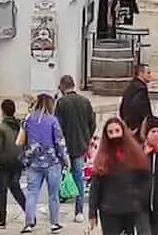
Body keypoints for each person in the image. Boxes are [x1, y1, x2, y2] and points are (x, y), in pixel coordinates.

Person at [88, 115, 151, 235]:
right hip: (109, 210)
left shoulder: (134, 154)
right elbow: (95, 187)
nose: (114, 135)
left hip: (130, 208)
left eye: (117, 131)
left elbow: (145, 178)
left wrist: (140, 198)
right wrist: (92, 213)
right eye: (110, 132)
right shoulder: (102, 158)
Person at [19, 93, 69, 235]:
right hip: (52, 162)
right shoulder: (52, 120)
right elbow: (59, 142)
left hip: (33, 162)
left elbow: (22, 140)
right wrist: (64, 159)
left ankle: (28, 223)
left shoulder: (28, 119)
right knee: (53, 195)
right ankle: (54, 224)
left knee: (32, 193)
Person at [55, 75, 97, 222]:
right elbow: (93, 122)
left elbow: (57, 127)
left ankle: (57, 205)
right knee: (79, 177)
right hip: (81, 145)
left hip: (65, 145)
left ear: (62, 86)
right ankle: (78, 211)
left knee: (60, 176)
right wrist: (87, 137)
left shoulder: (61, 103)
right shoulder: (85, 102)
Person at [0, 98, 26, 228]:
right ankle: (30, 214)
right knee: (15, 187)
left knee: (1, 190)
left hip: (4, 163)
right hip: (18, 161)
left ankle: (2, 218)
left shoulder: (0, 128)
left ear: (2, 111)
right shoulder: (20, 125)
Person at [119, 64, 153, 136]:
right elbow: (137, 107)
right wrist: (134, 126)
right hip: (138, 129)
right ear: (141, 74)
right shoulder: (140, 89)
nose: (151, 75)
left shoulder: (132, 86)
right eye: (148, 73)